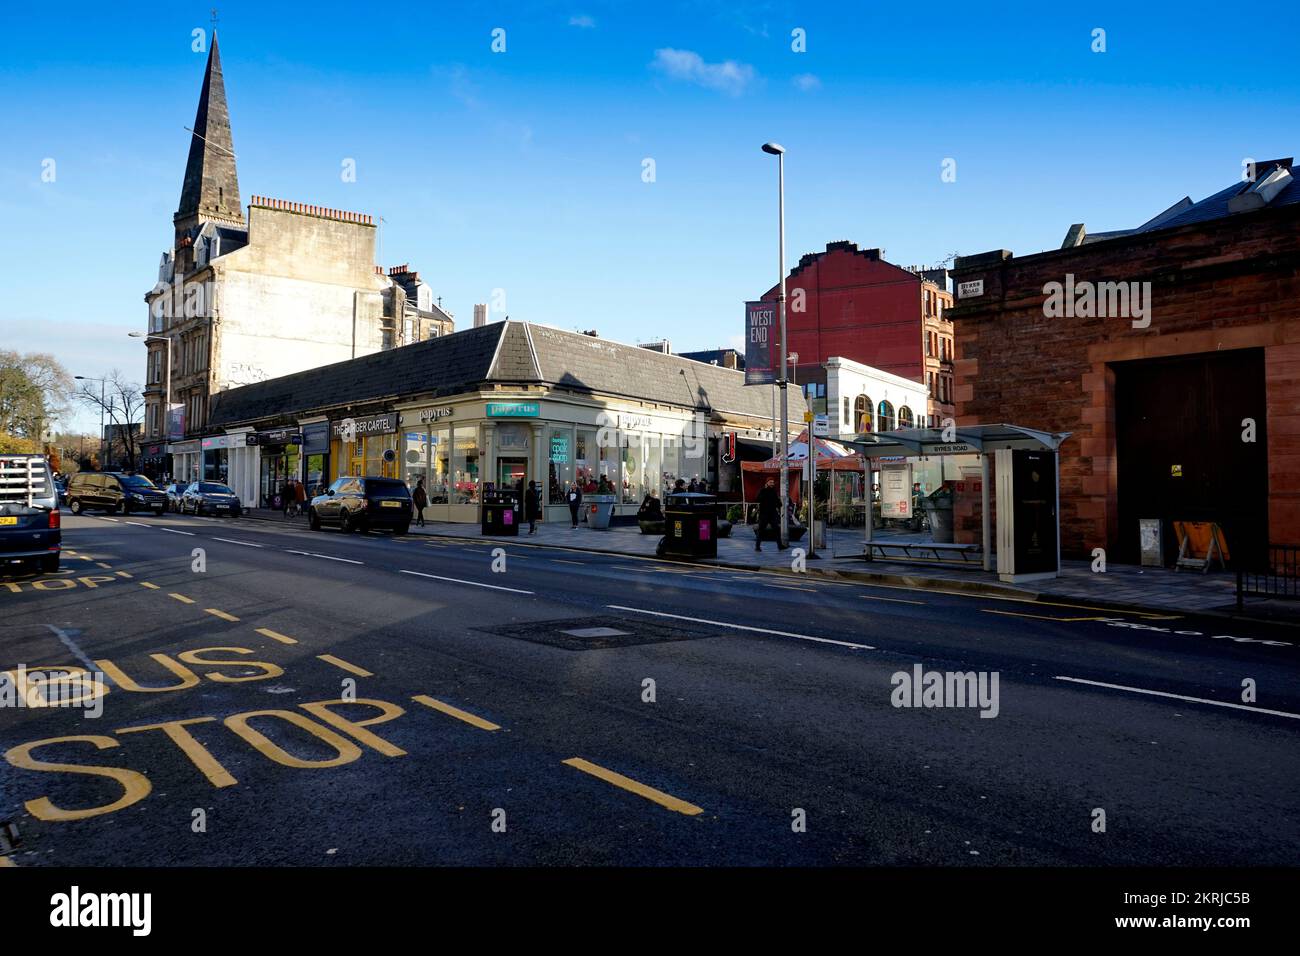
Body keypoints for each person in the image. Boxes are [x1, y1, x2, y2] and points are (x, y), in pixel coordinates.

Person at [755, 477, 782, 552]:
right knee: (761, 530)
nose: (772, 484)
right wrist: (764, 497)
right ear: (767, 483)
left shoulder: (774, 491)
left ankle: (780, 546)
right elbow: (757, 499)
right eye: (770, 482)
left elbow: (777, 501)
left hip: (773, 514)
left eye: (773, 482)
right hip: (764, 514)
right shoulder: (762, 490)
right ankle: (757, 546)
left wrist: (779, 504)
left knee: (777, 529)